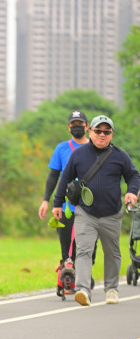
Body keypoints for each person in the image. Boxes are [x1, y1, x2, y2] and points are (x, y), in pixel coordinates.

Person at [53, 115, 140, 306]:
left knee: (112, 253)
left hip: (112, 214)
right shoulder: (78, 155)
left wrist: (132, 192)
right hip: (86, 213)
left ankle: (112, 289)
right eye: (98, 131)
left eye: (106, 132)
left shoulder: (120, 156)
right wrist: (57, 204)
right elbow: (65, 179)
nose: (102, 134)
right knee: (84, 250)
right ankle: (83, 289)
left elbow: (134, 176)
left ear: (111, 134)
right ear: (90, 131)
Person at [38, 110, 97, 295]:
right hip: (66, 205)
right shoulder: (61, 148)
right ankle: (69, 278)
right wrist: (46, 200)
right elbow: (53, 176)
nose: (77, 127)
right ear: (69, 127)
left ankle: (84, 274)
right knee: (67, 246)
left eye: (80, 124)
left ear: (87, 127)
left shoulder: (96, 147)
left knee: (89, 245)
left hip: (91, 205)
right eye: (73, 124)